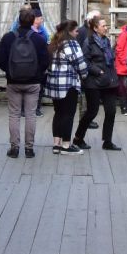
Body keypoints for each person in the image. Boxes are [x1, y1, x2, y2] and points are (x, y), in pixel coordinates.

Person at [0, 6, 49, 158]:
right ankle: (29, 149)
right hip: (33, 82)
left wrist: (9, 70)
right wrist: (37, 73)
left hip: (13, 82)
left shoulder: (8, 37)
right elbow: (46, 60)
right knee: (31, 115)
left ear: (18, 20)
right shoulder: (39, 39)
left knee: (14, 115)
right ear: (32, 20)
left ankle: (14, 148)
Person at [73, 13, 120, 150]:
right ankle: (78, 138)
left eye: (106, 25)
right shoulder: (89, 42)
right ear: (95, 28)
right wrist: (98, 71)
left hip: (109, 80)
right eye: (103, 26)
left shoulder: (106, 41)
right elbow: (85, 61)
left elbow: (110, 59)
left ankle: (107, 141)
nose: (106, 28)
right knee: (92, 112)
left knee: (111, 111)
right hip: (94, 82)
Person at [44, 20, 86, 155]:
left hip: (54, 83)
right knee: (68, 114)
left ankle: (56, 144)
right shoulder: (72, 44)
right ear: (70, 31)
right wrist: (84, 75)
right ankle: (66, 146)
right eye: (76, 30)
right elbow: (80, 64)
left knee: (58, 113)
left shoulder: (54, 43)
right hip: (68, 84)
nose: (77, 33)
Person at [31, 10, 49, 116]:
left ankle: (37, 108)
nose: (42, 20)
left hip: (41, 64)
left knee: (40, 87)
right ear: (35, 19)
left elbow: (46, 40)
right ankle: (28, 109)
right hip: (32, 63)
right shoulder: (30, 31)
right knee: (32, 87)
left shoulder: (42, 29)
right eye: (40, 18)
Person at [114, 19, 127, 113]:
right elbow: (119, 49)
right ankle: (124, 107)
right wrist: (124, 61)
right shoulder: (125, 34)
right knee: (123, 87)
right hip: (122, 65)